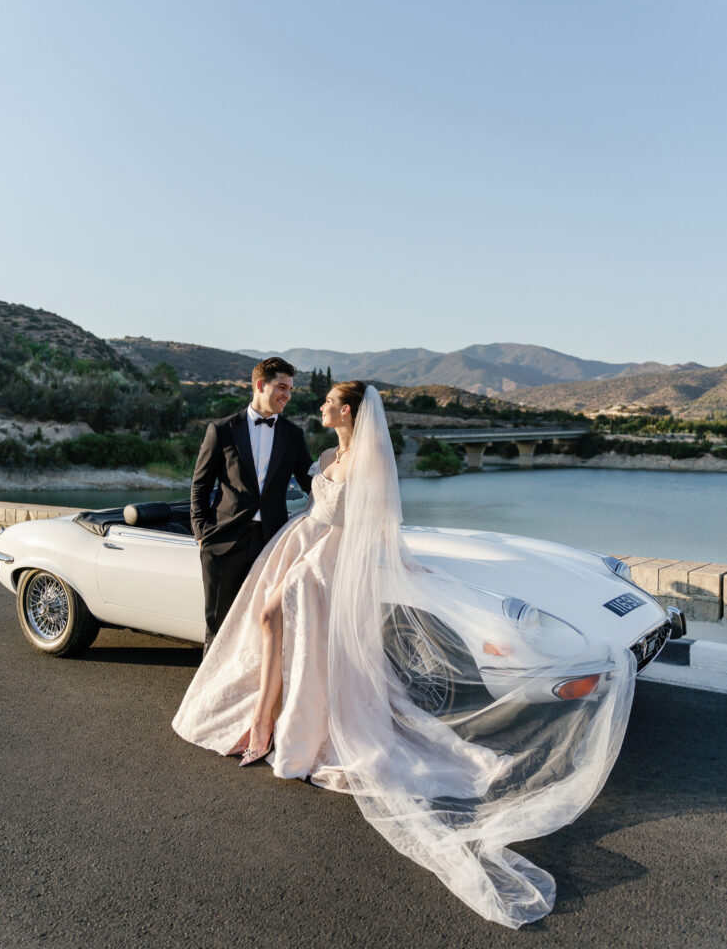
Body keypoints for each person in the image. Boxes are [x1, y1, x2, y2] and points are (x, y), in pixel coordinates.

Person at [174, 383, 636, 928]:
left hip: (332, 559)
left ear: (347, 410)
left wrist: (395, 560)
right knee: (271, 620)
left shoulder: (368, 459)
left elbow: (380, 520)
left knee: (279, 620)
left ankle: (272, 724)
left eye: (327, 401)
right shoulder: (327, 452)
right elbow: (301, 494)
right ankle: (262, 718)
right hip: (302, 542)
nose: (319, 405)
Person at [190, 356, 313, 656]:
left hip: (272, 542)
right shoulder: (221, 430)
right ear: (260, 385)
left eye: (291, 389)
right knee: (219, 626)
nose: (288, 394)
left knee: (264, 623)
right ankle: (210, 685)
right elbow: (200, 485)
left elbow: (310, 484)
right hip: (224, 541)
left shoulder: (293, 435)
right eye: (282, 387)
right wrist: (202, 533)